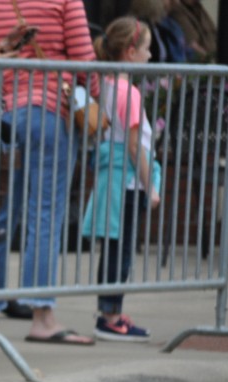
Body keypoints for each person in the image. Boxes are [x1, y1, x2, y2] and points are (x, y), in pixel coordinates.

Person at [0, 0, 98, 346]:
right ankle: (42, 314)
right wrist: (95, 100)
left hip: (0, 116)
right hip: (50, 110)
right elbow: (85, 62)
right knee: (45, 214)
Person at [82, 17, 160, 343]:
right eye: (147, 49)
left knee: (114, 249)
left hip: (112, 179)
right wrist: (150, 185)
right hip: (126, 183)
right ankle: (110, 317)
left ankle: (110, 312)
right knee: (121, 251)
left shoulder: (106, 84)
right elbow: (132, 145)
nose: (151, 56)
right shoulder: (128, 91)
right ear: (130, 52)